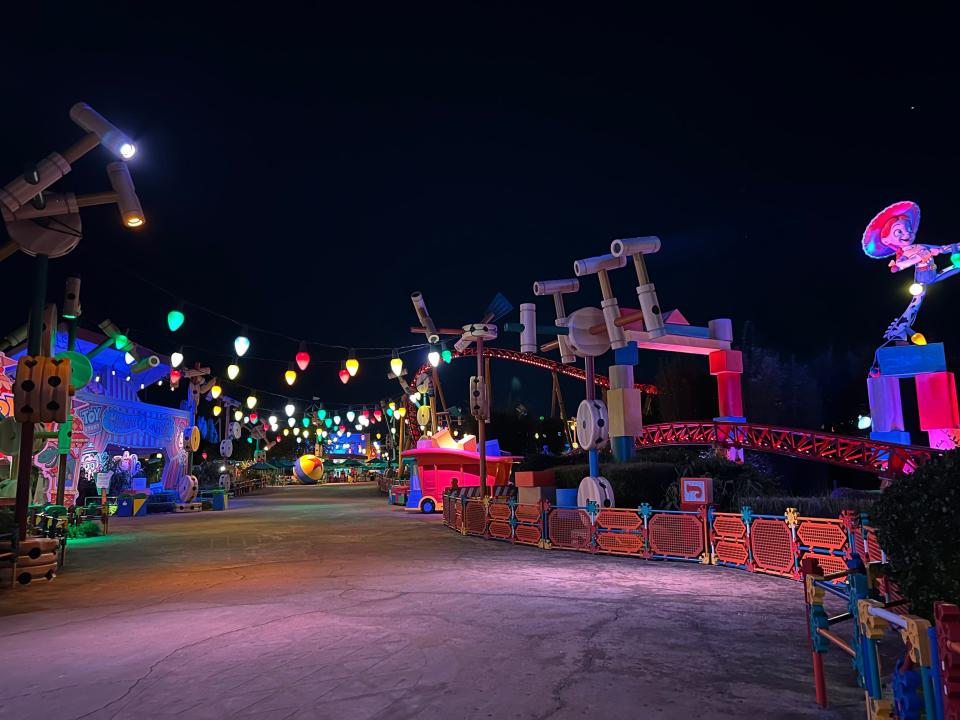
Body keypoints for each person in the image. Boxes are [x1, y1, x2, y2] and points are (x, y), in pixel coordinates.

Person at [863, 201, 960, 342]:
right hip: (923, 277)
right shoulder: (903, 253)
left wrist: (954, 246)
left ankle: (900, 328)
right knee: (917, 299)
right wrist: (918, 257)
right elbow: (900, 265)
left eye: (908, 229)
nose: (907, 233)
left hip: (931, 274)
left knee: (918, 301)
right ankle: (898, 329)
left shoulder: (919, 246)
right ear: (886, 239)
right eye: (899, 231)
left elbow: (941, 248)